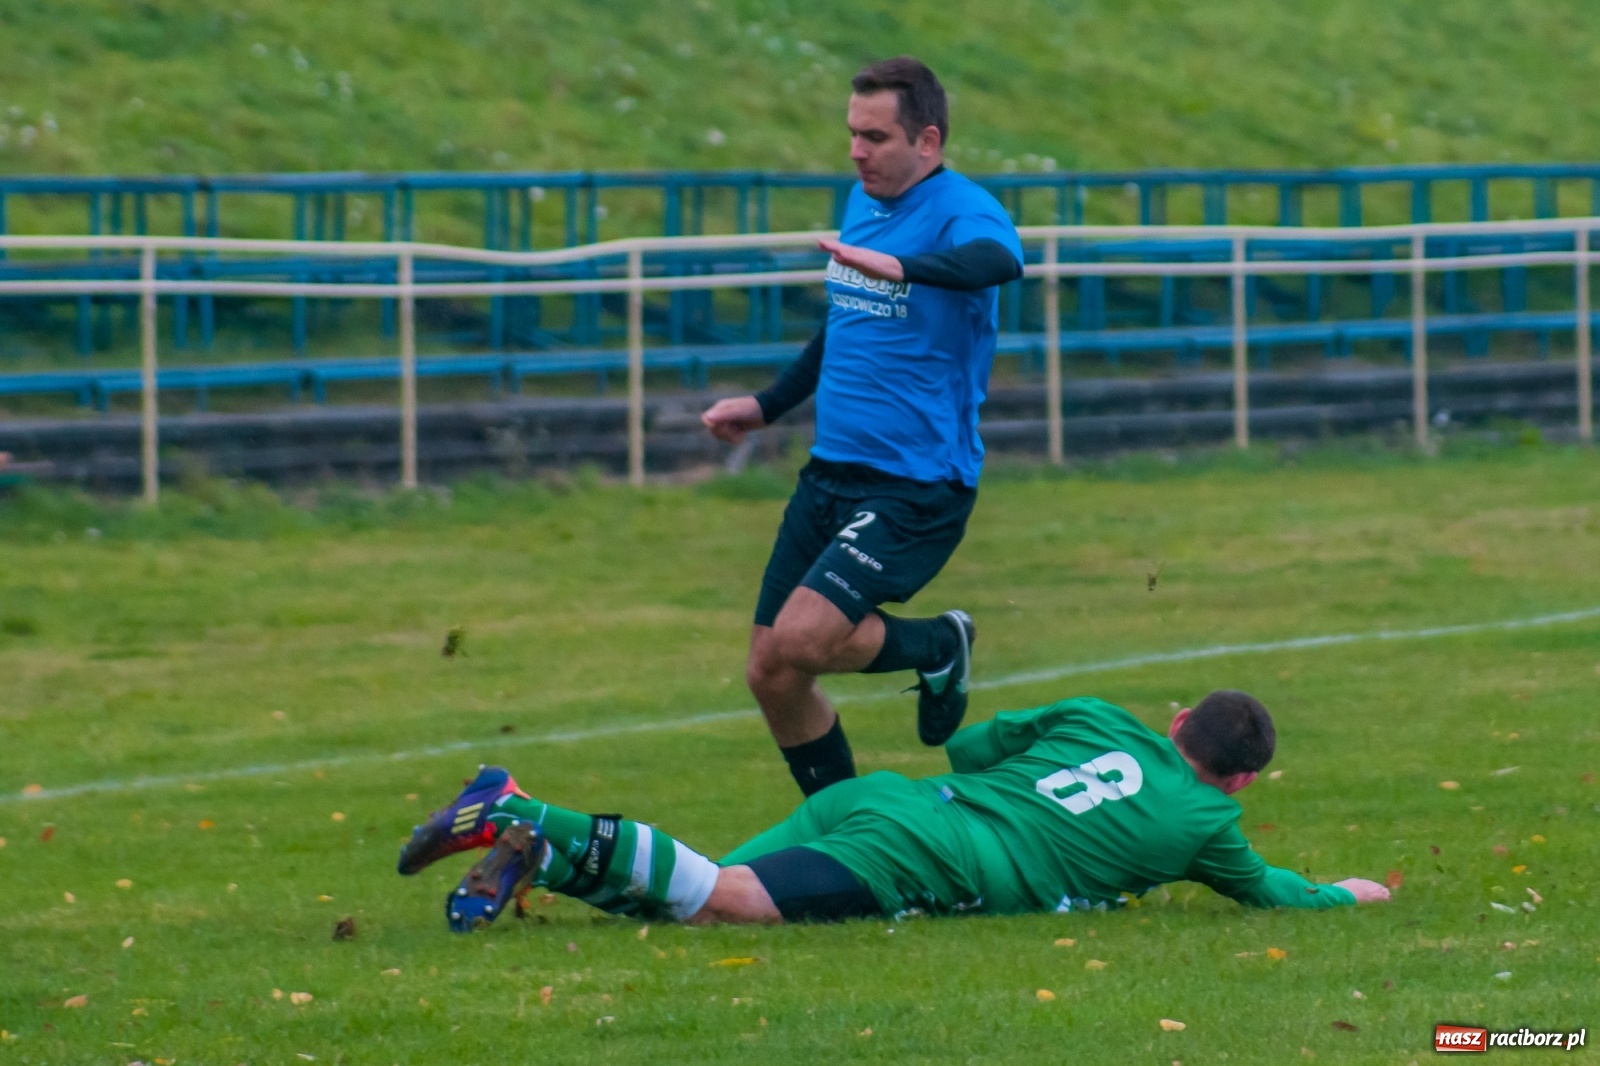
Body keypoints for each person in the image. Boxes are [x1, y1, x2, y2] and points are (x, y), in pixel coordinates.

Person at [700, 56, 1025, 797]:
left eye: (875, 137)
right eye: (852, 133)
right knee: (771, 670)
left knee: (805, 638)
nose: (856, 150)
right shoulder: (863, 201)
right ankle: (845, 832)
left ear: (929, 142)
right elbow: (846, 324)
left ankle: (943, 644)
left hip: (915, 484)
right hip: (830, 473)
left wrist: (900, 266)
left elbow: (998, 260)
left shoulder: (961, 208)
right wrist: (767, 405)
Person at [396, 690, 1391, 931]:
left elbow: (967, 745)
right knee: (730, 900)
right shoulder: (1211, 827)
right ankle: (520, 806)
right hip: (934, 851)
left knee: (692, 900)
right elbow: (1273, 895)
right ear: (1242, 781)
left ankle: (547, 855)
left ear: (1174, 718)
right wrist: (1346, 893)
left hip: (893, 796)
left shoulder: (1100, 715)